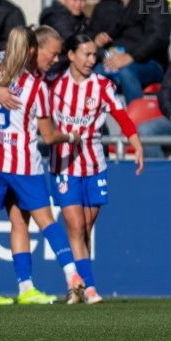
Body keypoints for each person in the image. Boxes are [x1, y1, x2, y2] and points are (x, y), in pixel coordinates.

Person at [0, 26, 85, 306]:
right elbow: (49, 135)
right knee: (45, 221)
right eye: (52, 54)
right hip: (12, 160)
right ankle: (71, 274)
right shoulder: (34, 86)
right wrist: (72, 136)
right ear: (33, 50)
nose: (55, 60)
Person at [49, 34, 145, 305]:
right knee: (75, 225)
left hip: (94, 164)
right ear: (70, 55)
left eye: (94, 55)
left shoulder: (102, 85)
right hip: (64, 164)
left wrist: (136, 145)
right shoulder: (54, 85)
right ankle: (89, 288)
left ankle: (76, 287)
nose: (92, 60)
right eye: (86, 54)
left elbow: (121, 115)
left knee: (86, 226)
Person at [89, 0, 171, 103]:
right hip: (111, 59)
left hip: (148, 62)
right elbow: (89, 37)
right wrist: (99, 44)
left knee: (125, 71)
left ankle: (136, 122)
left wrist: (131, 57)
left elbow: (159, 36)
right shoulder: (104, 6)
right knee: (93, 77)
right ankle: (94, 125)